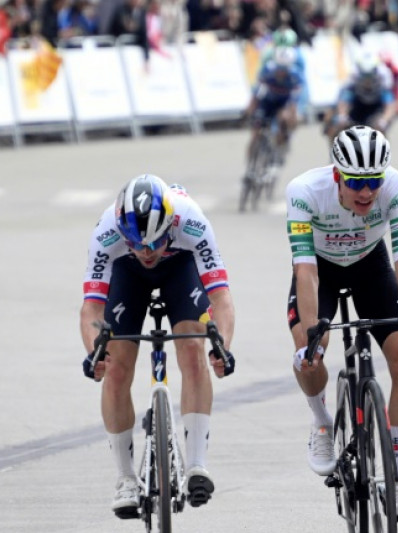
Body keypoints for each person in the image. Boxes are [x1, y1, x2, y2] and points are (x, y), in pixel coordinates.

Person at [285, 125, 398, 521]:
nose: (367, 191)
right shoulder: (304, 192)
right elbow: (305, 271)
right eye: (356, 182)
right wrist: (312, 336)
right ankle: (322, 423)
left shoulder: (397, 187)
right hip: (321, 269)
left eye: (374, 181)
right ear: (337, 174)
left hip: (371, 265)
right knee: (310, 354)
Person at [80, 175, 236, 517]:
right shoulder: (107, 232)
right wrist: (95, 353)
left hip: (180, 267)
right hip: (127, 274)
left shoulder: (192, 220)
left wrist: (221, 347)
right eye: (137, 243)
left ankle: (196, 465)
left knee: (193, 351)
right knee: (116, 368)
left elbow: (221, 298)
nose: (147, 251)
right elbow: (91, 308)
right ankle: (125, 478)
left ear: (171, 224)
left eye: (156, 241)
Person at [244, 45, 303, 168]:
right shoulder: (267, 69)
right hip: (267, 101)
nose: (281, 73)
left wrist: (291, 118)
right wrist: (249, 110)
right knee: (255, 131)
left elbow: (294, 102)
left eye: (284, 69)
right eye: (279, 68)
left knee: (285, 119)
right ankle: (250, 164)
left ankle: (282, 144)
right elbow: (257, 92)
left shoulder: (295, 75)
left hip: (284, 103)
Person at [324, 51, 397, 140]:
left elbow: (390, 106)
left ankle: (380, 146)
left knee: (380, 129)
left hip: (375, 110)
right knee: (336, 122)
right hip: (356, 108)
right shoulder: (352, 79)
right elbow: (344, 102)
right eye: (365, 77)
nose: (368, 81)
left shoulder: (384, 79)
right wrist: (342, 116)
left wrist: (384, 121)